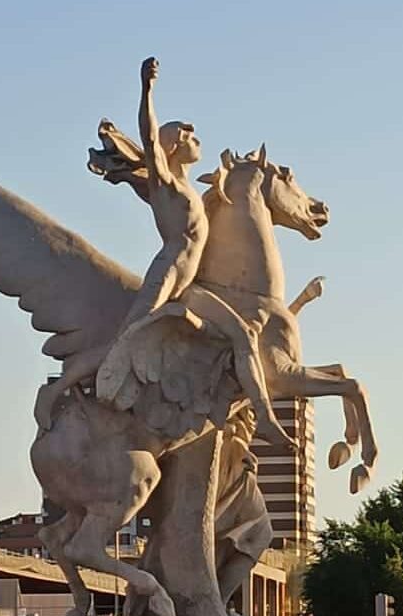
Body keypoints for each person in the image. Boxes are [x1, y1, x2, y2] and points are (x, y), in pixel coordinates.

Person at [37, 58, 293, 448]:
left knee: (243, 335)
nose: (195, 137)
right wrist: (146, 89)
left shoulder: (194, 191)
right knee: (125, 342)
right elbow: (149, 136)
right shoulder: (166, 182)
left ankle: (264, 417)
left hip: (192, 283)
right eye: (187, 134)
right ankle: (54, 393)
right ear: (172, 147)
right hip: (169, 275)